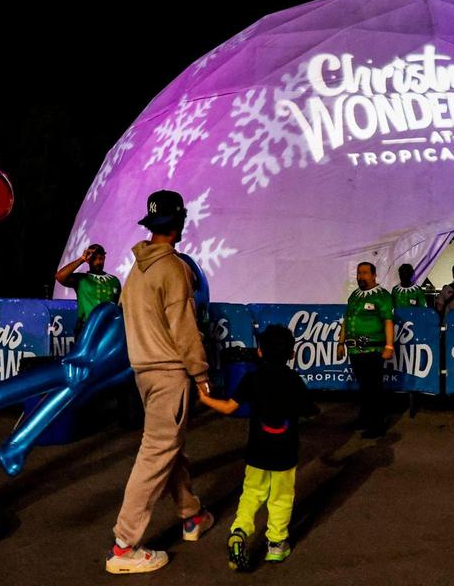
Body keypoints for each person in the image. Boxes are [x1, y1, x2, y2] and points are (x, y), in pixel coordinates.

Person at [105, 190, 214, 574]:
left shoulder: (136, 270)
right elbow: (184, 329)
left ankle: (192, 515)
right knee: (156, 455)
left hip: (144, 373)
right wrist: (201, 375)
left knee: (169, 448)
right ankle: (124, 546)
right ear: (179, 222)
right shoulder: (173, 268)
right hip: (170, 373)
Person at [198, 325, 318, 570]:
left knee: (252, 494)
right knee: (281, 498)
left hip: (257, 452)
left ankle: (240, 531)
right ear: (292, 354)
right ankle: (276, 544)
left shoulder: (252, 378)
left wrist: (205, 398)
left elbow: (230, 408)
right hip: (285, 453)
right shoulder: (293, 380)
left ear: (260, 352)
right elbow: (309, 410)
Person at [337, 262, 395, 438]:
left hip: (373, 349)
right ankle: (364, 419)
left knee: (374, 387)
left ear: (373, 275)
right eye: (358, 273)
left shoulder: (382, 296)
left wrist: (389, 346)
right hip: (355, 350)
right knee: (363, 387)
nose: (360, 276)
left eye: (364, 273)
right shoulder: (354, 295)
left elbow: (388, 321)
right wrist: (340, 342)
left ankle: (377, 425)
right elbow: (346, 319)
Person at [55, 243, 121, 336]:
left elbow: (120, 305)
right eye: (94, 259)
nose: (98, 262)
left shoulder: (114, 281)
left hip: (109, 329)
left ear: (104, 258)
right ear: (88, 260)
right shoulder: (81, 279)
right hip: (86, 329)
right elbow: (59, 276)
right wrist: (81, 259)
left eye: (100, 258)